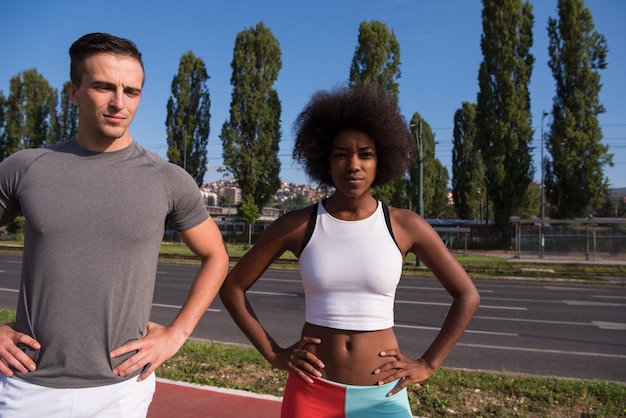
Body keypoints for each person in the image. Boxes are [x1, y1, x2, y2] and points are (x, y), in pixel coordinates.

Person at [0, 32, 229, 417]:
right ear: (73, 91)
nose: (118, 103)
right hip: (27, 386)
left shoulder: (167, 179)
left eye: (132, 91)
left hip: (122, 389)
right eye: (104, 87)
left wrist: (177, 335)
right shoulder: (25, 168)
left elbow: (216, 255)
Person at [220, 84, 480, 417]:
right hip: (311, 391)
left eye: (365, 154)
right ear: (325, 162)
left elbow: (467, 295)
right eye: (341, 154)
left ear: (380, 161)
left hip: (382, 396)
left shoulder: (405, 225)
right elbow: (232, 288)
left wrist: (428, 363)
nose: (353, 165)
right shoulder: (298, 224)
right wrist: (273, 354)